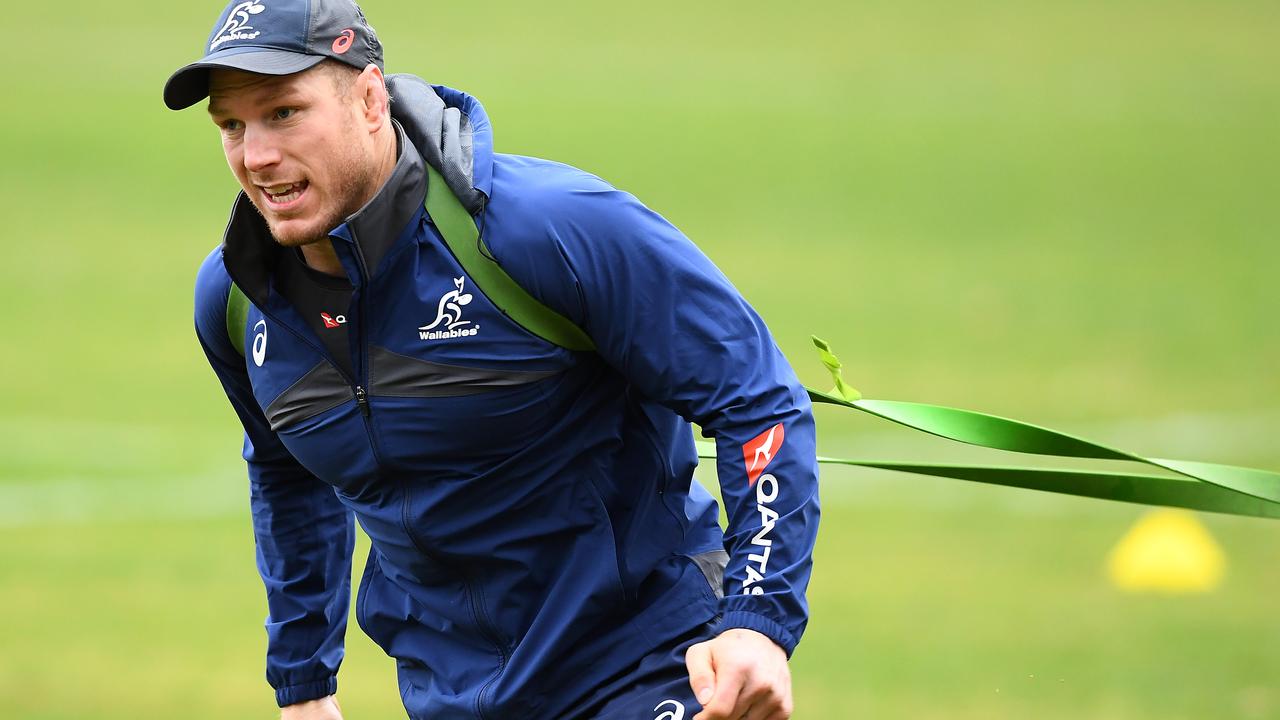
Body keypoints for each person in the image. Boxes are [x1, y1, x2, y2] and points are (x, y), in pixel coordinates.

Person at [165, 1, 819, 718]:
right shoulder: (236, 302)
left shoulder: (548, 230)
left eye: (285, 112)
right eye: (232, 124)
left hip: (646, 661)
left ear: (371, 100)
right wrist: (303, 685)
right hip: (451, 694)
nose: (255, 155)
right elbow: (288, 477)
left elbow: (756, 397)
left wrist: (758, 622)